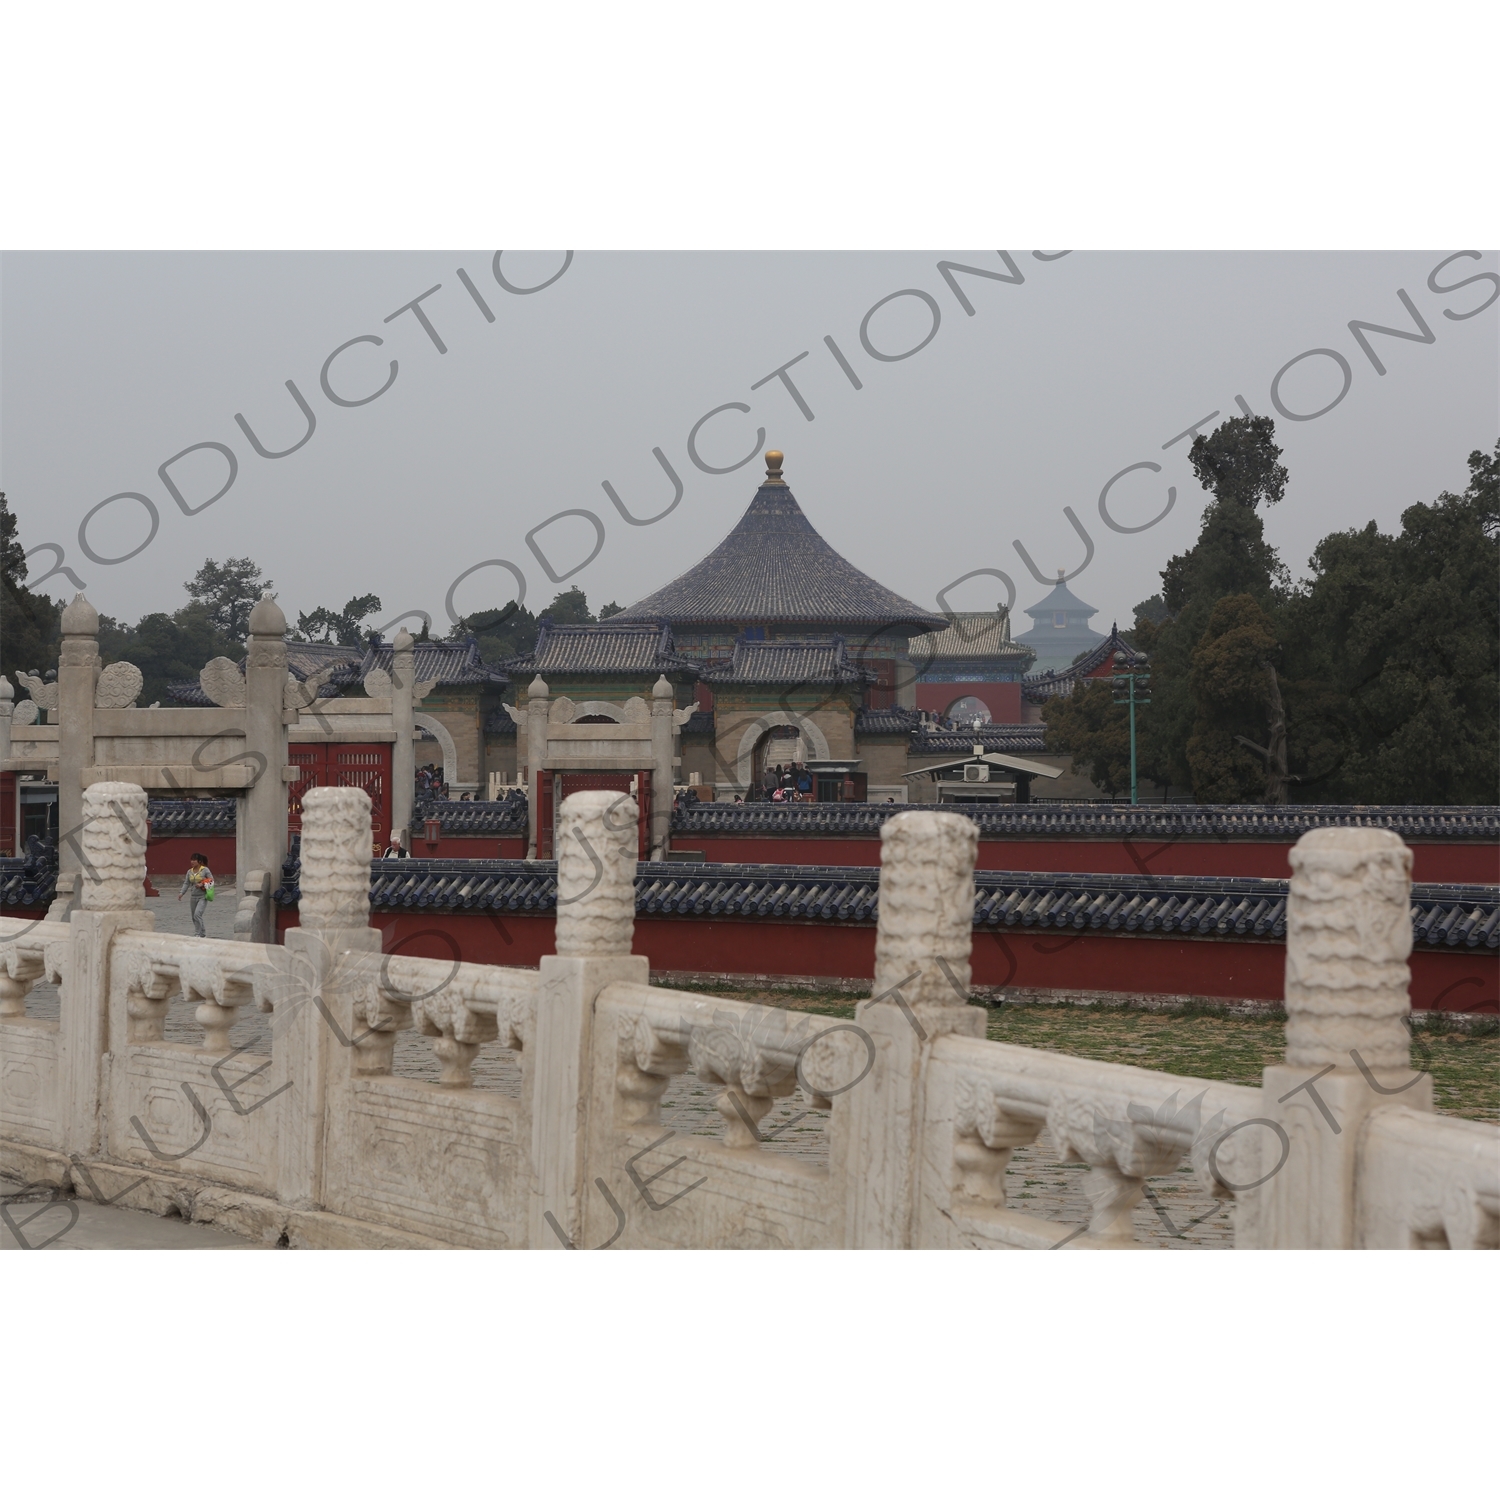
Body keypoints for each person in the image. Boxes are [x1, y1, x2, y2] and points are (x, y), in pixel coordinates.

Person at [178, 852, 214, 937]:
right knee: (194, 917)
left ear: (199, 861)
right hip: (193, 897)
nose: (192, 861)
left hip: (203, 896)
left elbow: (211, 879)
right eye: (191, 859)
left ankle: (198, 933)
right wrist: (181, 893)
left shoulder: (205, 870)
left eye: (194, 860)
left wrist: (202, 884)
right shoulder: (189, 872)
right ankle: (202, 933)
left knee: (197, 914)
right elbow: (186, 883)